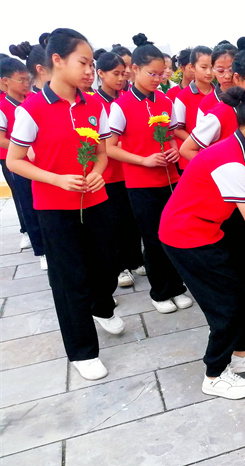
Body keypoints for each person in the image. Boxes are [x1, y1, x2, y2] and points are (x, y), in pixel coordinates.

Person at [8, 28, 125, 381]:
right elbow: (15, 161)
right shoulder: (32, 109)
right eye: (83, 62)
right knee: (69, 276)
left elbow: (103, 154)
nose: (90, 70)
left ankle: (101, 306)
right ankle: (82, 350)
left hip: (96, 199)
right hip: (55, 206)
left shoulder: (94, 105)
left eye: (91, 63)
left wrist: (99, 172)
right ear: (57, 61)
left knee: (108, 263)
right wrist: (57, 179)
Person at [159, 87, 245, 400]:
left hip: (207, 231)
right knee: (226, 303)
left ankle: (241, 354)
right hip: (184, 235)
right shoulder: (229, 158)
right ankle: (214, 373)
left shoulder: (244, 154)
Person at [106, 33, 192, 314]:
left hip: (171, 178)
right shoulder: (120, 106)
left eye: (160, 73)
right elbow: (110, 148)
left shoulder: (166, 102)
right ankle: (160, 291)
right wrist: (143, 161)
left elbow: (170, 136)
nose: (157, 78)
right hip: (141, 183)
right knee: (154, 238)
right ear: (135, 70)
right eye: (151, 73)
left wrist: (172, 149)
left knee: (175, 233)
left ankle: (178, 286)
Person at [179, 38, 245, 205]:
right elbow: (193, 149)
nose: (226, 75)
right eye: (220, 70)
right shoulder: (217, 109)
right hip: (226, 187)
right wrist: (221, 177)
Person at [94, 50, 144, 288]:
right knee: (114, 221)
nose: (121, 79)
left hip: (131, 170)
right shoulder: (94, 102)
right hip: (109, 172)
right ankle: (120, 267)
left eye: (123, 74)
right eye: (115, 74)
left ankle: (135, 259)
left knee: (132, 219)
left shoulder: (127, 98)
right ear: (100, 74)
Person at [7, 39, 50, 264]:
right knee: (29, 204)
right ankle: (41, 249)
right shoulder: (31, 104)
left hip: (51, 166)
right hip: (27, 163)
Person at [173, 45, 213, 172]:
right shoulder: (183, 97)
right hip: (191, 159)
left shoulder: (220, 94)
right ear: (192, 67)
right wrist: (198, 143)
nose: (209, 72)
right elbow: (177, 130)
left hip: (216, 156)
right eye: (203, 67)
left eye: (212, 67)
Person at [195, 43, 236, 124]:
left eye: (231, 70)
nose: (227, 76)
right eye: (220, 71)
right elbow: (200, 134)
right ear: (213, 69)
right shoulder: (206, 103)